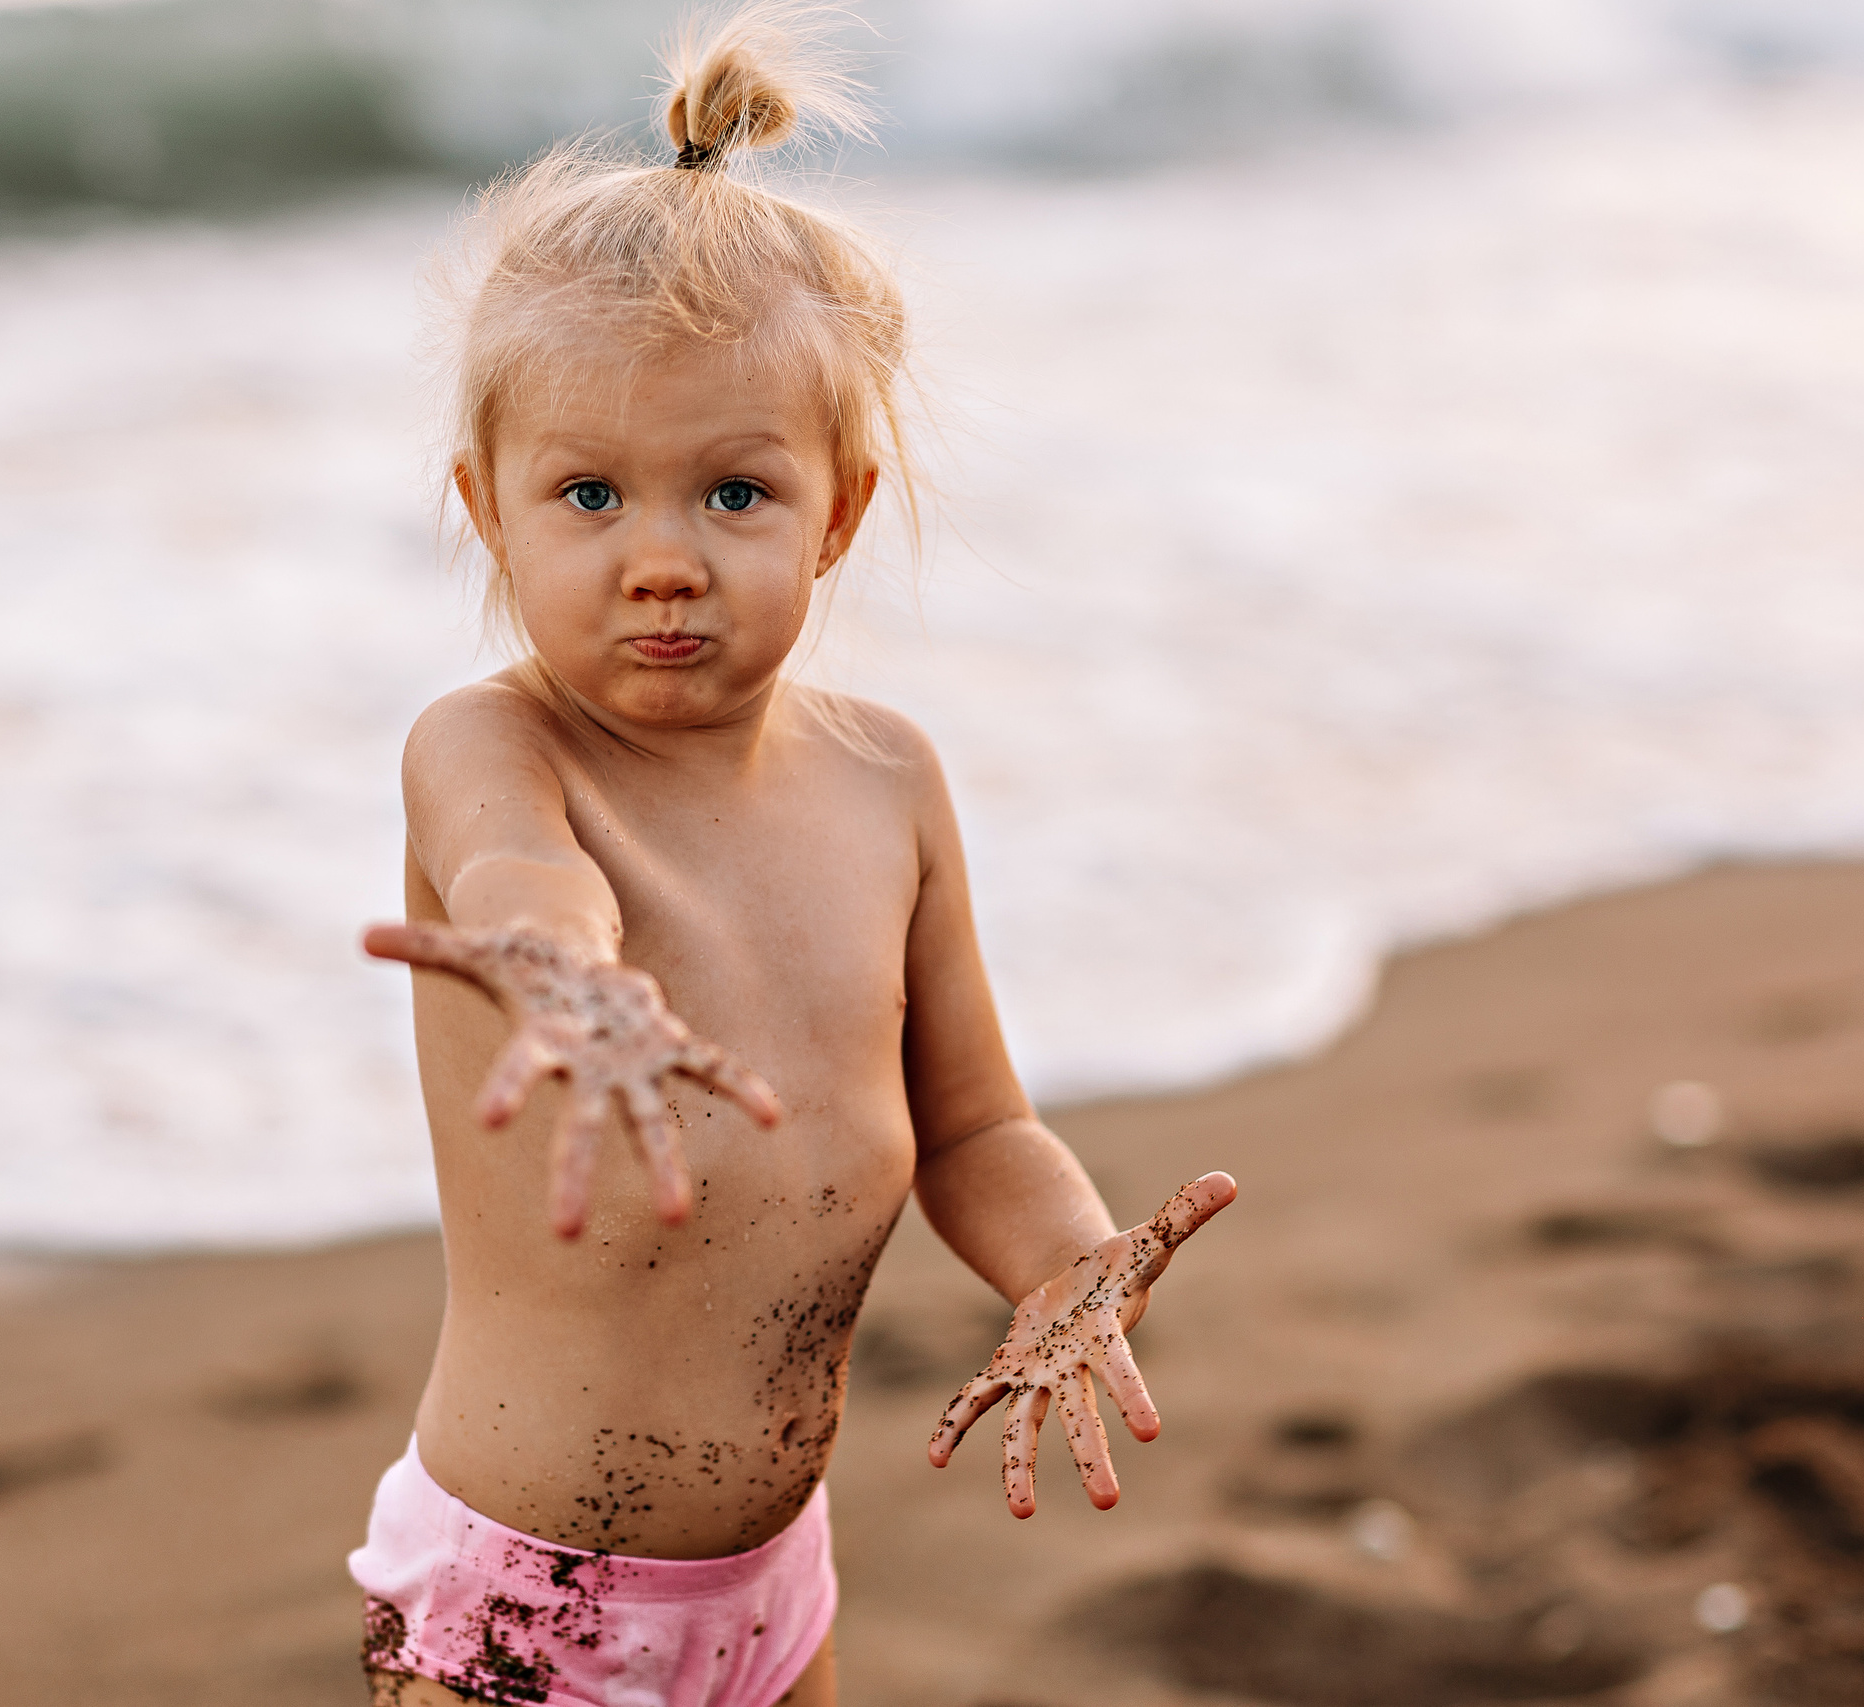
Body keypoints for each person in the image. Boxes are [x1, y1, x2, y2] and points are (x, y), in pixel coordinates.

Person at [350, 8, 1235, 1703]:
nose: (663, 558)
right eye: (591, 495)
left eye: (733, 495)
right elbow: (527, 885)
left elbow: (976, 1122)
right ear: (489, 507)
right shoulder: (496, 748)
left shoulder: (887, 783)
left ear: (836, 508)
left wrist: (1063, 1258)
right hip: (530, 1610)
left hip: (775, 1581)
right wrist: (565, 978)